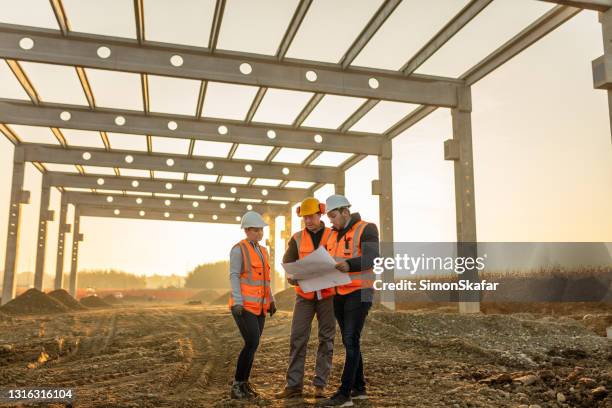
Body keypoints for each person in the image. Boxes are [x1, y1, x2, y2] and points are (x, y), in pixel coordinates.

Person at [320, 195, 379, 407]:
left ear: (345, 212)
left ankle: (344, 394)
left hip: (360, 291)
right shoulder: (332, 236)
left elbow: (373, 258)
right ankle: (360, 389)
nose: (331, 221)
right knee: (349, 341)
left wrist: (350, 265)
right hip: (339, 292)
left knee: (351, 339)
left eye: (333, 216)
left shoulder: (367, 228)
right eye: (329, 217)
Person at [275, 198, 336, 400]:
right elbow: (287, 262)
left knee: (326, 340)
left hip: (328, 295)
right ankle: (293, 386)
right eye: (304, 217)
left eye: (311, 216)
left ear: (320, 214)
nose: (308, 221)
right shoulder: (297, 238)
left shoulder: (333, 235)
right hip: (305, 295)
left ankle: (320, 386)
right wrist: (292, 277)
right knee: (297, 338)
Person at [228, 211, 277, 400]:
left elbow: (265, 279)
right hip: (243, 307)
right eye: (256, 230)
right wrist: (238, 302)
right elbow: (233, 276)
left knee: (253, 345)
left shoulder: (263, 251)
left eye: (261, 230)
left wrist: (271, 299)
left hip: (260, 306)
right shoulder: (238, 249)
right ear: (247, 230)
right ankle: (237, 384)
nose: (260, 233)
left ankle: (244, 383)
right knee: (252, 342)